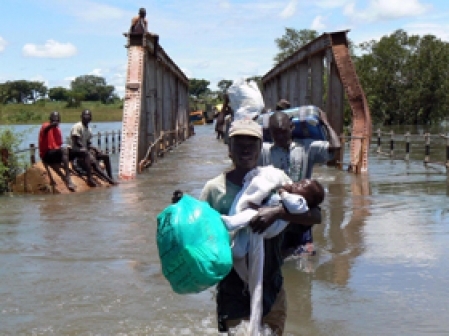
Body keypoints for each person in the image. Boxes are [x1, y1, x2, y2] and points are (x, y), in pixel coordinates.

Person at [200, 119, 321, 335]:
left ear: (260, 149)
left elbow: (315, 215)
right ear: (229, 148)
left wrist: (276, 213)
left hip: (271, 285)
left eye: (251, 144)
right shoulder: (214, 189)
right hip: (232, 289)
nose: (245, 150)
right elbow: (200, 235)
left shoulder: (275, 179)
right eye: (239, 144)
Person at [259, 110, 341, 258]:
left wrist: (326, 123)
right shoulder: (264, 151)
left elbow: (335, 148)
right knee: (277, 255)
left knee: (306, 258)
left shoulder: (306, 148)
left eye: (283, 132)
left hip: (301, 210)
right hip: (274, 209)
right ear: (269, 133)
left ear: (291, 127)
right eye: (275, 133)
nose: (280, 137)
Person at [38, 111, 96, 190]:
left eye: (57, 119)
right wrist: (52, 125)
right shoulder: (46, 125)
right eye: (54, 118)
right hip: (47, 154)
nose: (56, 120)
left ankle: (90, 178)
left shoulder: (58, 130)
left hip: (55, 154)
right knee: (64, 149)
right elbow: (46, 129)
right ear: (50, 119)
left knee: (83, 152)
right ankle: (68, 179)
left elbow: (58, 145)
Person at [70, 109, 117, 185]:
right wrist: (87, 150)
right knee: (91, 159)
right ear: (81, 117)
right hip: (77, 151)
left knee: (105, 156)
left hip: (85, 150)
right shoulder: (77, 126)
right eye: (85, 115)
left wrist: (95, 149)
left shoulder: (89, 129)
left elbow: (88, 143)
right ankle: (91, 178)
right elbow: (77, 141)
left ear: (91, 118)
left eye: (88, 115)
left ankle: (110, 176)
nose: (86, 117)